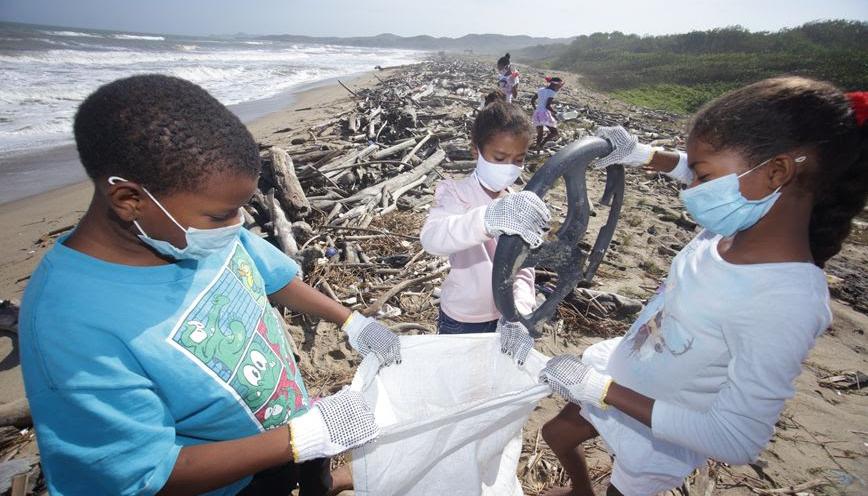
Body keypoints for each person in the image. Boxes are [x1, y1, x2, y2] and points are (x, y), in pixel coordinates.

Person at [18, 74, 403, 496]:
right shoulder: (70, 322)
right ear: (130, 200)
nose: (236, 226)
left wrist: (351, 321)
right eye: (221, 216)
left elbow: (273, 280)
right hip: (224, 481)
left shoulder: (191, 232)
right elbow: (141, 476)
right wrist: (301, 437)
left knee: (312, 480)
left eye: (239, 210)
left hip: (291, 426)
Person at [536, 77, 868, 495]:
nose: (692, 191)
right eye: (692, 174)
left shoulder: (785, 300)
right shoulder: (730, 225)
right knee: (557, 434)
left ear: (777, 172)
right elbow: (718, 175)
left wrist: (599, 390)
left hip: (662, 427)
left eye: (701, 177)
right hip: (625, 372)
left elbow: (737, 438)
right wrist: (645, 155)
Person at [420, 96, 550, 362]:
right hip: (462, 319)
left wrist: (520, 312)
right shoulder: (456, 194)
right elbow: (432, 239)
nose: (509, 167)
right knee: (455, 375)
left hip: (505, 318)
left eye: (518, 160)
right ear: (475, 150)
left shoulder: (516, 203)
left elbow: (524, 269)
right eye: (499, 157)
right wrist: (488, 219)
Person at [531, 77, 563, 149]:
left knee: (540, 133)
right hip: (545, 114)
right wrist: (555, 112)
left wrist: (536, 109)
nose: (559, 87)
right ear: (556, 84)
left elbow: (532, 100)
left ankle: (537, 146)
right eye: (559, 86)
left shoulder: (541, 90)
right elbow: (547, 106)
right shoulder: (552, 93)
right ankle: (541, 145)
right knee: (554, 132)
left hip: (537, 113)